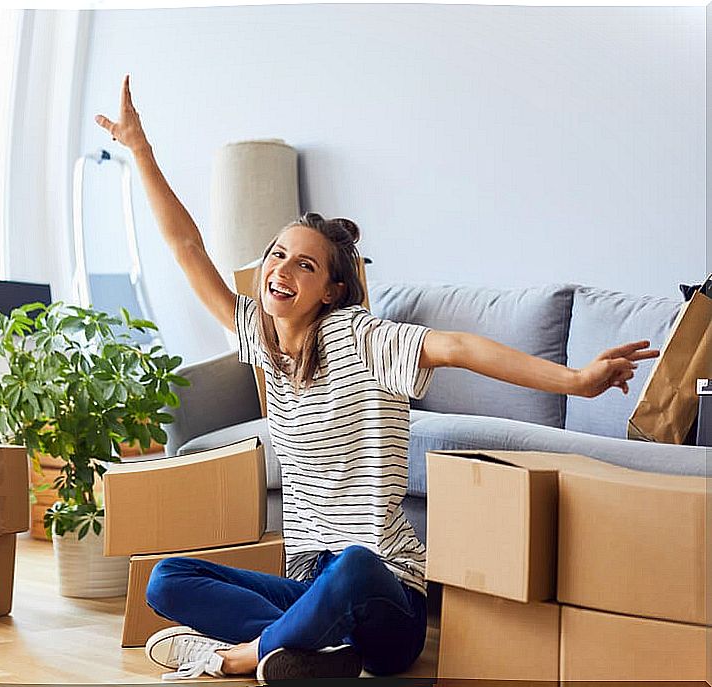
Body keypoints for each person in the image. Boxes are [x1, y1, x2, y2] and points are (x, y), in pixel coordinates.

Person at [95, 75, 658, 684]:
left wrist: (575, 380)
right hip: (309, 587)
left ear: (331, 290)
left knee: (355, 566)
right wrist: (140, 150)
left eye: (304, 265)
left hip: (386, 598)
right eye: (277, 254)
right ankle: (314, 651)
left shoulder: (361, 337)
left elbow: (460, 345)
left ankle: (244, 656)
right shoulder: (259, 333)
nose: (281, 269)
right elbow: (186, 247)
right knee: (168, 578)